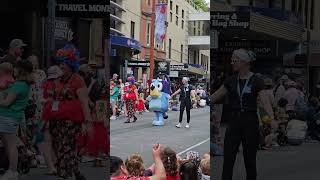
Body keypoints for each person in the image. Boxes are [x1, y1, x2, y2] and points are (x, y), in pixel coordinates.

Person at [211, 49, 264, 180]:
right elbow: (215, 96)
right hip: (234, 121)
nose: (232, 63)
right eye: (232, 60)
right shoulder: (231, 80)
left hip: (250, 121)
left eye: (235, 61)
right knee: (228, 158)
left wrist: (272, 118)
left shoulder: (257, 80)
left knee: (249, 160)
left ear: (244, 62)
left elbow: (264, 100)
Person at [42, 44, 92, 180]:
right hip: (57, 121)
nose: (62, 66)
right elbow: (55, 98)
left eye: (65, 63)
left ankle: (64, 175)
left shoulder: (78, 80)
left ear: (71, 64)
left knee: (66, 148)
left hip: (70, 123)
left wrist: (87, 122)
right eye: (61, 63)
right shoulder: (59, 80)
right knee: (60, 148)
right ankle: (76, 173)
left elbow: (84, 102)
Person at [0, 60, 33, 180]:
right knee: (9, 145)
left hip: (9, 116)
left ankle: (12, 171)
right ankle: (12, 170)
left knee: (11, 145)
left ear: (21, 70)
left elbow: (7, 102)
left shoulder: (19, 85)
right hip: (11, 117)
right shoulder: (22, 84)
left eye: (15, 68)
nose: (14, 70)